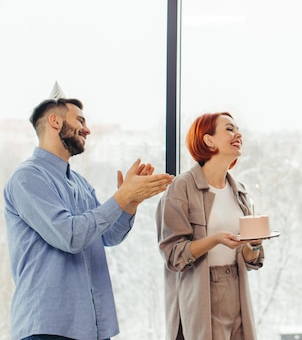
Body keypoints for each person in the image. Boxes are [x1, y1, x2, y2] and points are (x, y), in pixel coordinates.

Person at [3, 86, 175, 340]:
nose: (87, 129)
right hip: (47, 328)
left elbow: (108, 237)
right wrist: (121, 196)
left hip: (93, 328)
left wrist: (130, 204)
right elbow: (70, 237)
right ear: (55, 121)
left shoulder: (81, 183)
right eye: (80, 120)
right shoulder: (27, 178)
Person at [155, 111, 264, 340]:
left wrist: (253, 245)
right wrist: (215, 239)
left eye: (238, 129)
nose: (238, 134)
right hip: (200, 294)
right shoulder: (181, 187)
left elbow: (251, 260)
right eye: (230, 129)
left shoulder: (240, 192)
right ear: (208, 140)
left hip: (237, 291)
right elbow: (173, 255)